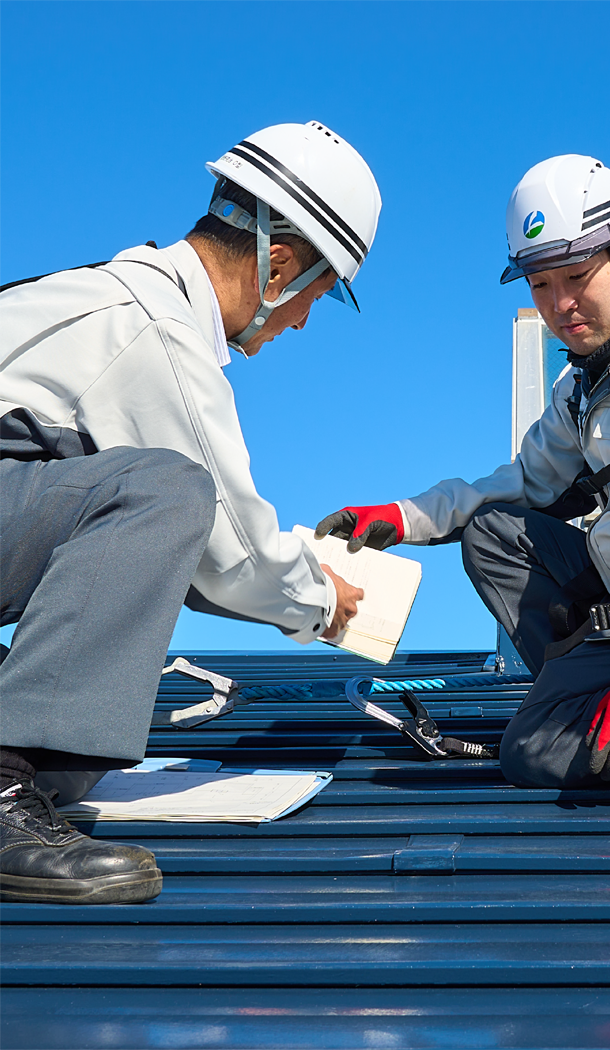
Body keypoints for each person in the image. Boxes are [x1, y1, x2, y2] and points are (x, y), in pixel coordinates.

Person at [0, 120, 380, 903]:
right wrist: (320, 601)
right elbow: (229, 542)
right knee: (170, 490)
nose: (304, 319)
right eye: (319, 294)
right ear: (280, 262)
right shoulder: (154, 327)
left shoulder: (118, 298)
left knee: (72, 754)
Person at [317, 153, 610, 796]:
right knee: (495, 532)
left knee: (532, 755)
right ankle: (605, 703)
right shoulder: (585, 385)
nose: (560, 305)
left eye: (576, 275)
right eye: (540, 284)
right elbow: (524, 485)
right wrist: (403, 518)